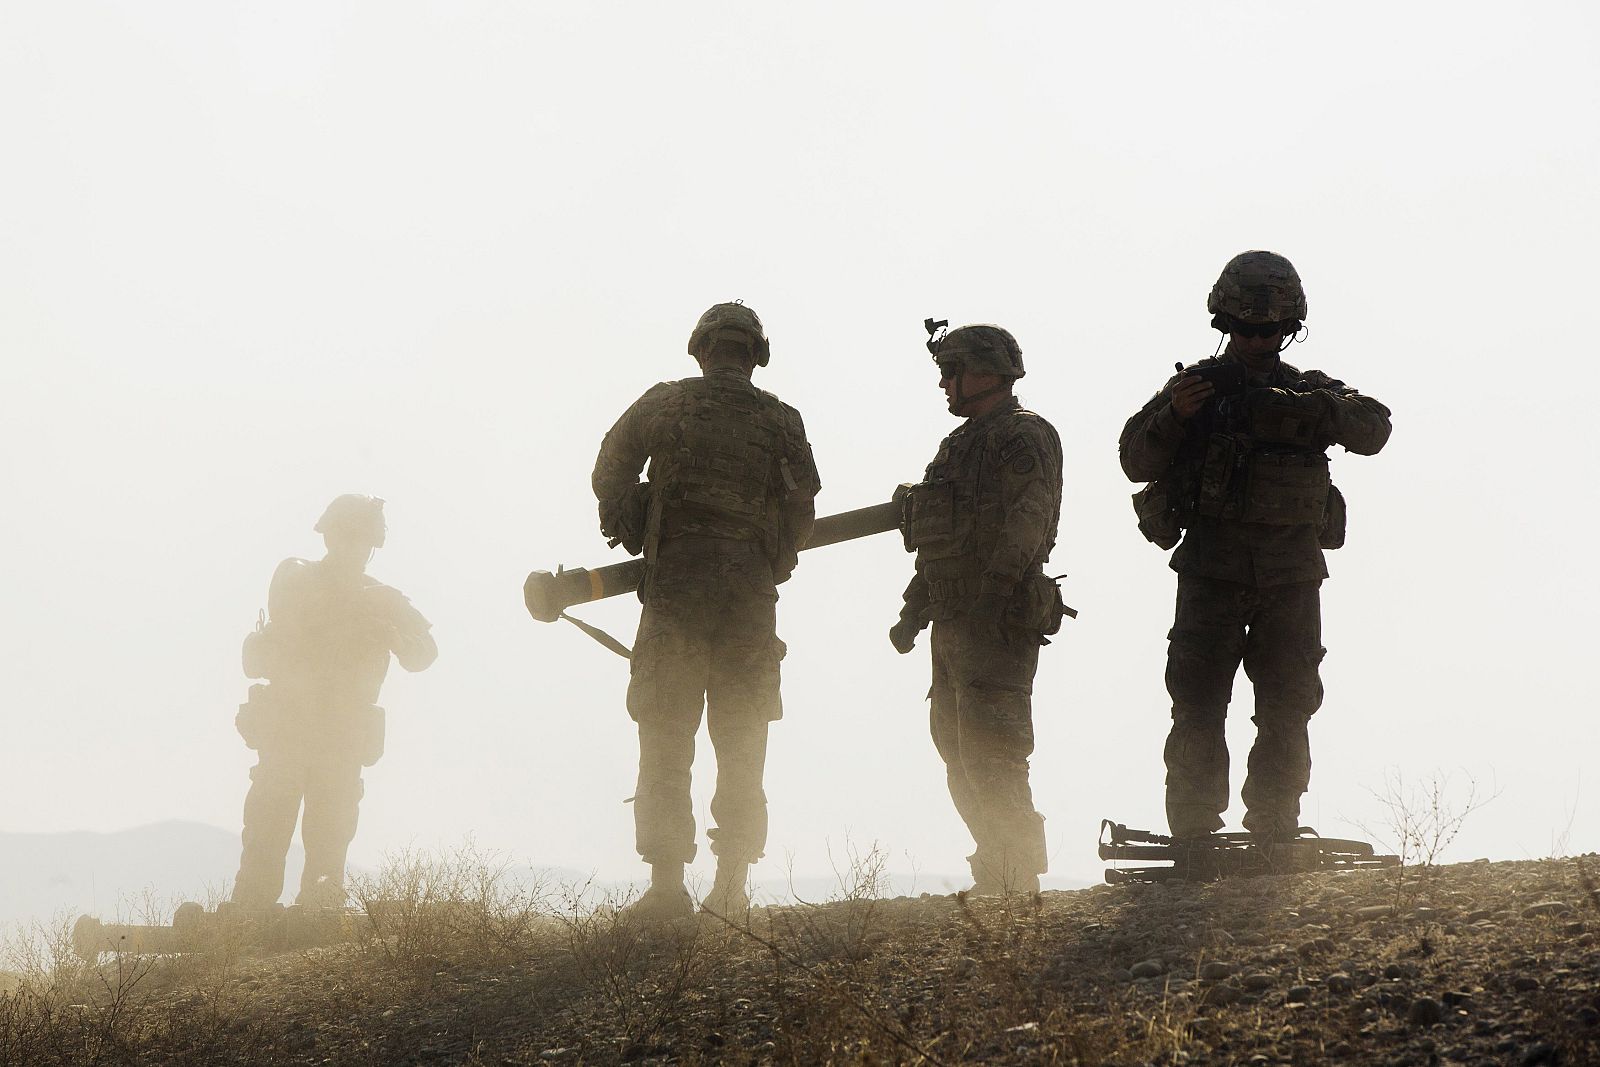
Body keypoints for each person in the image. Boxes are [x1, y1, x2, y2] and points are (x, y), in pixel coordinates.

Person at [1119, 250, 1391, 843]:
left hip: (1290, 577)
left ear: (1289, 328)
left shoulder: (1312, 392)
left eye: (1269, 329)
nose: (1258, 338)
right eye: (1246, 328)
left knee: (1287, 706)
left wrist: (1307, 412)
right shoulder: (1197, 388)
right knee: (1197, 704)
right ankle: (1193, 829)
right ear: (1224, 323)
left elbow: (1374, 429)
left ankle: (1274, 824)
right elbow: (1134, 459)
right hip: (1211, 572)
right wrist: (1174, 415)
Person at [592, 301, 820, 919]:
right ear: (755, 355)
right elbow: (804, 507)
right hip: (749, 599)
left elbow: (610, 467)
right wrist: (772, 562)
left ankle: (667, 887)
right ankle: (732, 886)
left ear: (701, 348)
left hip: (676, 590)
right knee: (741, 739)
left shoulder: (666, 403)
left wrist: (632, 523)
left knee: (666, 733)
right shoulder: (782, 420)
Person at [890, 323, 1066, 895]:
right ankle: (996, 863)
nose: (943, 383)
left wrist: (993, 595)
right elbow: (939, 538)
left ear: (985, 371)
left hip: (996, 617)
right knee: (958, 749)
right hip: (953, 618)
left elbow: (1030, 517)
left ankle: (1017, 875)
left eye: (951, 370)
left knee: (996, 750)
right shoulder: (958, 447)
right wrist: (914, 612)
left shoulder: (1023, 435)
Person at [231, 494, 437, 908]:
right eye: (348, 537)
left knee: (329, 841)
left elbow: (425, 652)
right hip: (290, 728)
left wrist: (392, 636)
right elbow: (281, 635)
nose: (354, 549)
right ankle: (249, 920)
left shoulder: (383, 599)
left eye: (362, 541)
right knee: (267, 833)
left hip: (340, 736)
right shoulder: (298, 577)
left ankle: (317, 915)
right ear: (331, 537)